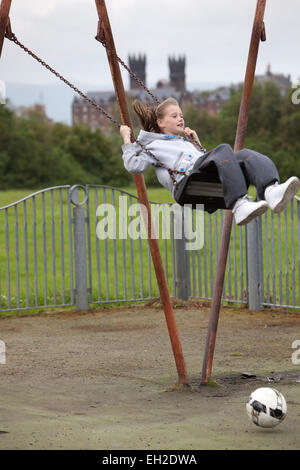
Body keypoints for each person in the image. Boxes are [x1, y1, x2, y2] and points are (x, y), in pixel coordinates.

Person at [120, 97, 300, 225]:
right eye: (174, 116)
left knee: (246, 155)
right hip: (186, 184)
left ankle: (271, 190)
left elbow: (209, 163)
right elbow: (133, 166)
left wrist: (197, 145)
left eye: (181, 115)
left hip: (201, 177)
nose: (180, 118)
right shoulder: (153, 146)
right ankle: (239, 205)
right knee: (223, 149)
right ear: (160, 122)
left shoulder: (183, 141)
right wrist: (127, 140)